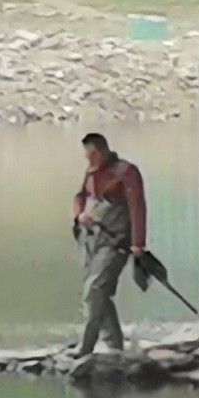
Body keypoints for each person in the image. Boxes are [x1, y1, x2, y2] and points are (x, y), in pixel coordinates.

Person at [72, 130, 153, 360]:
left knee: (95, 289)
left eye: (93, 154)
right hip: (93, 240)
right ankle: (115, 345)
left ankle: (86, 347)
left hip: (116, 241)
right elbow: (80, 196)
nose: (90, 159)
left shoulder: (126, 172)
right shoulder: (91, 173)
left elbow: (137, 206)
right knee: (101, 293)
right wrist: (79, 216)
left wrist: (138, 244)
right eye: (88, 155)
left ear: (103, 150)